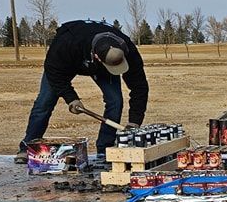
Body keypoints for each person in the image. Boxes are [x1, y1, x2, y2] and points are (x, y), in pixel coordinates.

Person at [15, 20, 148, 164]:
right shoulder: (66, 43)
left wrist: (134, 121)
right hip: (67, 62)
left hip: (99, 66)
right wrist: (71, 98)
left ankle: (105, 150)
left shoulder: (127, 50)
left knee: (115, 101)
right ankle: (27, 146)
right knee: (44, 103)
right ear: (97, 57)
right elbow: (53, 72)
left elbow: (139, 86)